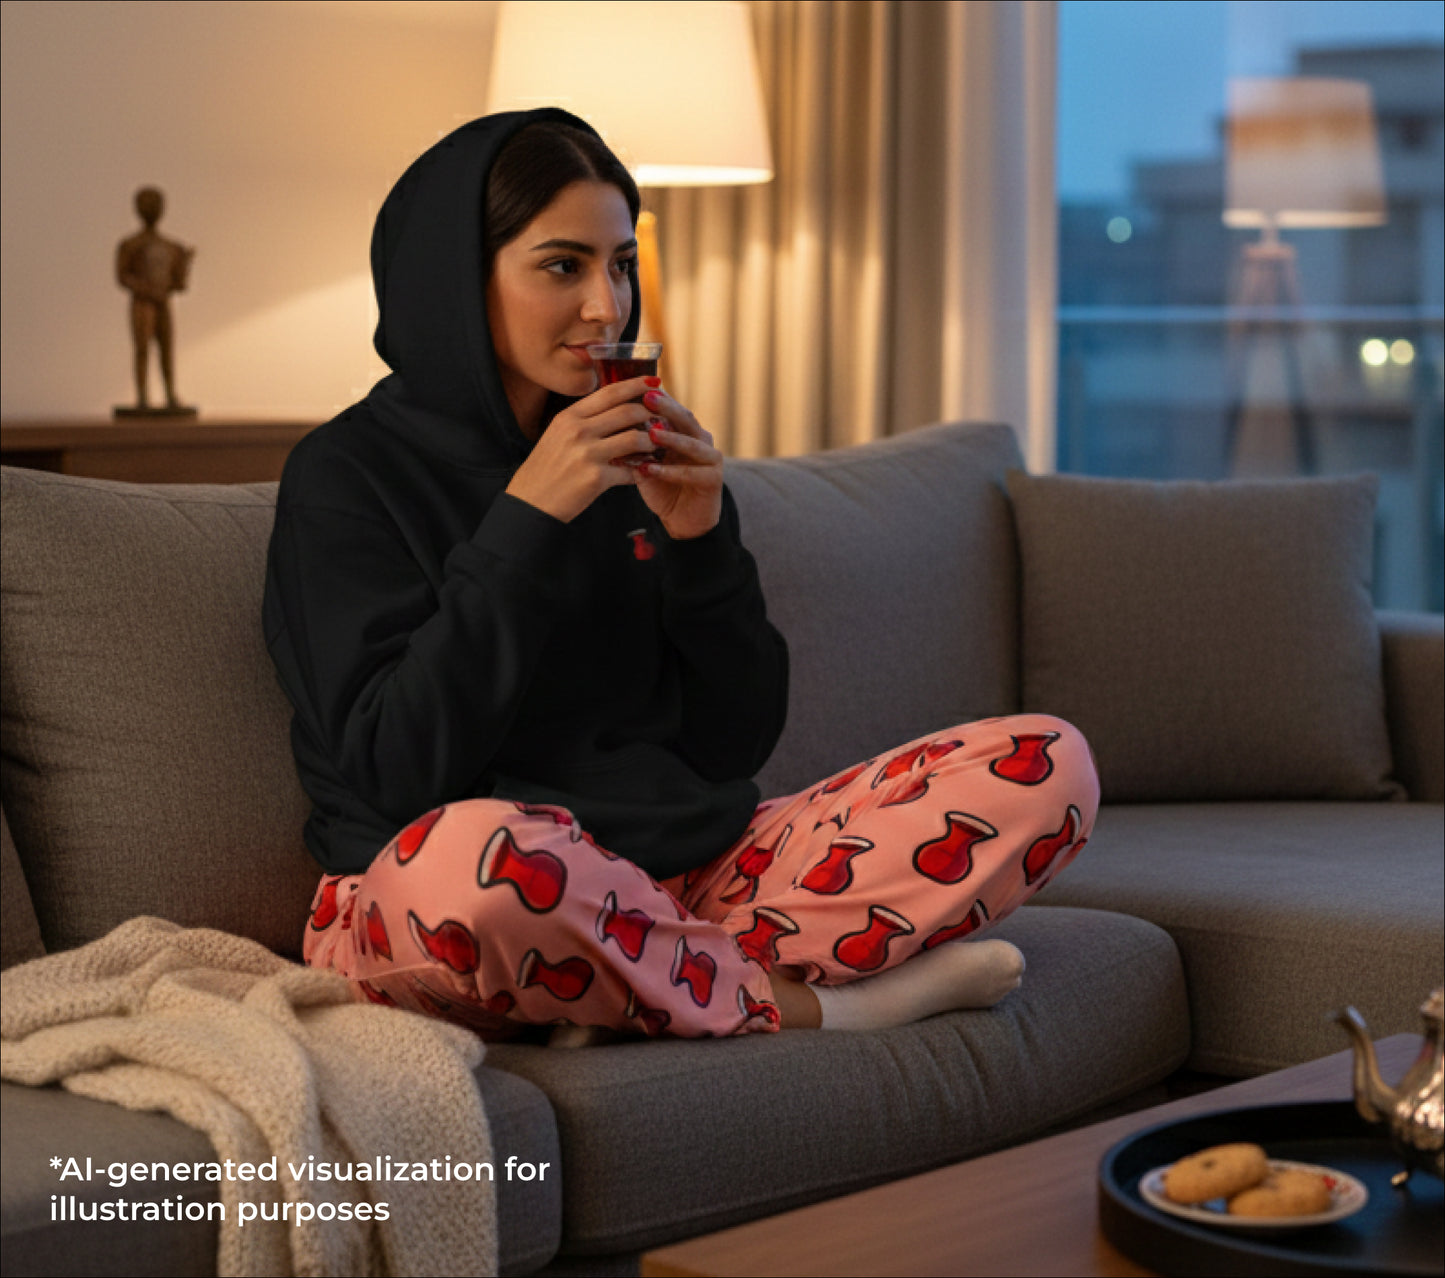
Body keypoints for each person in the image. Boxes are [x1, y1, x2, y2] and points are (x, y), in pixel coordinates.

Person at [263, 108, 1099, 1042]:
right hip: (453, 888)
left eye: (619, 264)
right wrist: (526, 521)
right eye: (562, 265)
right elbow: (392, 771)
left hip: (694, 877)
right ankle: (807, 1003)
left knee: (1044, 762)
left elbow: (729, 746)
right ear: (457, 280)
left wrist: (700, 543)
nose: (605, 306)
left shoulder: (636, 452)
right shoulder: (345, 474)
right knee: (472, 868)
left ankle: (633, 982)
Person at [115, 186, 194, 411]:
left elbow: (179, 283)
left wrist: (185, 265)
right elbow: (123, 277)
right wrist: (149, 290)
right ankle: (142, 396)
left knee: (166, 348)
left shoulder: (172, 247)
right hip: (143, 303)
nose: (152, 209)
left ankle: (170, 393)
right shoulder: (130, 245)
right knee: (142, 348)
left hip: (162, 304)